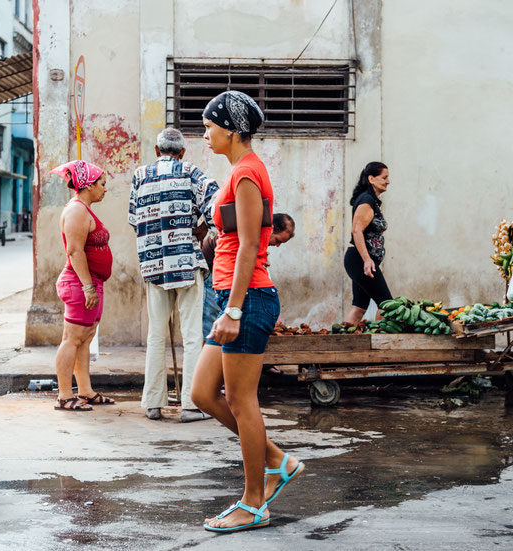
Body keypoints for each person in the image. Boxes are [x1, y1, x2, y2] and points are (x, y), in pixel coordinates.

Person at [191, 91, 304, 532]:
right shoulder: (238, 171)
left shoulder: (247, 174)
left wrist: (234, 310)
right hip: (229, 296)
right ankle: (275, 459)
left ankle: (254, 501)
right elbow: (238, 237)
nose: (205, 134)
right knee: (202, 393)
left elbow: (253, 246)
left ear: (233, 130)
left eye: (209, 126)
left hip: (248, 299)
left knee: (240, 401)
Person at [129, 128, 218, 423]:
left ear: (157, 150)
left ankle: (153, 404)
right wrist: (202, 228)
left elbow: (134, 219)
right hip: (186, 261)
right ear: (181, 152)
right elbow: (217, 202)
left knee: (156, 335)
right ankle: (192, 406)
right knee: (192, 335)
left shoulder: (140, 175)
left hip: (154, 264)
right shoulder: (191, 171)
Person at [51, 159, 116, 411]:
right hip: (79, 284)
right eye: (102, 183)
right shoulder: (77, 210)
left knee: (85, 338)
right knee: (72, 338)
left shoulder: (84, 209)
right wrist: (88, 287)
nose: (105, 188)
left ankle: (85, 391)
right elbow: (75, 251)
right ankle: (65, 395)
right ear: (88, 185)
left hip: (90, 283)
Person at [202, 212, 295, 337]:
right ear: (270, 228)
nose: (277, 245)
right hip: (212, 273)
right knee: (212, 319)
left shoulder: (257, 239)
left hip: (227, 278)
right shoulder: (250, 235)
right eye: (277, 240)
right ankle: (208, 350)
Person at [344, 162, 392, 324]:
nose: (388, 181)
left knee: (359, 307)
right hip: (360, 260)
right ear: (371, 179)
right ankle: (381, 342)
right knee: (387, 305)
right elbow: (356, 230)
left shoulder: (372, 200)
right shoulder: (366, 200)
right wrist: (366, 259)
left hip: (361, 261)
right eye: (384, 177)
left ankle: (345, 343)